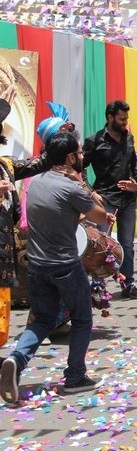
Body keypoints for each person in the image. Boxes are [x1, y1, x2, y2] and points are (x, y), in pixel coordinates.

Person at [0, 133, 112, 403]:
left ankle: (16, 359)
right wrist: (82, 186)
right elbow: (99, 214)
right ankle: (75, 377)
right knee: (82, 318)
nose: (83, 157)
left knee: (42, 319)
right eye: (80, 153)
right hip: (65, 266)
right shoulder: (71, 187)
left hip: (37, 266)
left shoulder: (35, 183)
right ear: (71, 157)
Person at [0, 89, 51, 349]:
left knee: (2, 312)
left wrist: (57, 140)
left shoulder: (6, 165)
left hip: (3, 254)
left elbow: (37, 164)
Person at [83, 100, 137, 300]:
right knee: (101, 243)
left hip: (127, 199)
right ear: (110, 118)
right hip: (104, 199)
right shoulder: (94, 140)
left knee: (127, 244)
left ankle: (128, 284)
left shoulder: (129, 138)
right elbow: (79, 168)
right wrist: (91, 192)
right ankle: (98, 286)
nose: (125, 122)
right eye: (121, 118)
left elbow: (134, 164)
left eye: (126, 118)